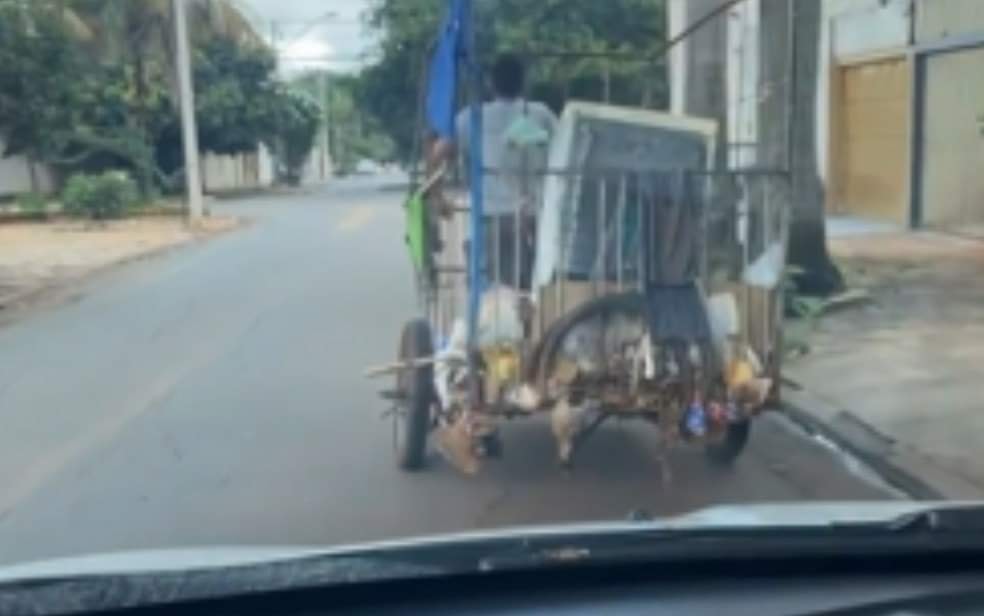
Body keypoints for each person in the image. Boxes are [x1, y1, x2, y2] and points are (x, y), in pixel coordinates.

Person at [430, 53, 558, 291]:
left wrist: (438, 196)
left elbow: (438, 154)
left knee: (489, 291)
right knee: (533, 287)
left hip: (489, 217)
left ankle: (487, 324)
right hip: (533, 216)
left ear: (491, 84)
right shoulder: (541, 114)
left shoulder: (472, 117)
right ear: (523, 83)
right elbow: (564, 148)